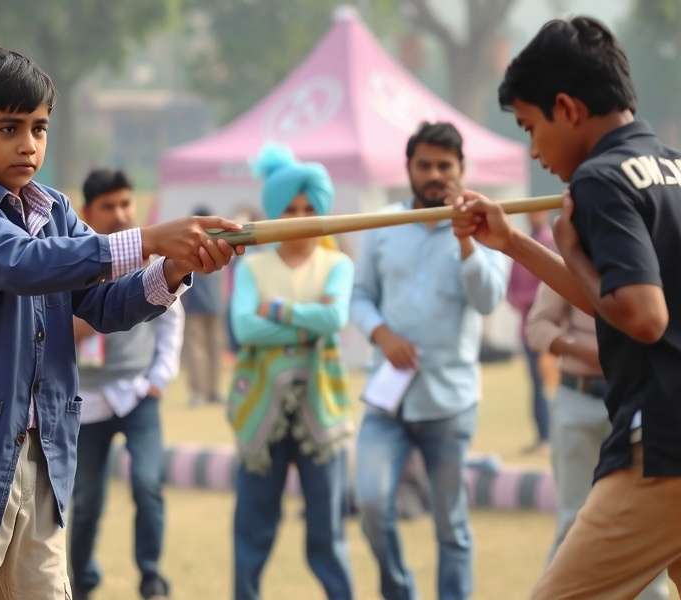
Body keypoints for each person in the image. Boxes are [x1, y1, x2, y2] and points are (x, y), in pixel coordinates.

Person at [0, 46, 241, 600]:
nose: (29, 144)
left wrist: (172, 269)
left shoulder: (54, 209)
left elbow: (101, 304)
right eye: (9, 128)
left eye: (39, 127)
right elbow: (25, 263)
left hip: (43, 464)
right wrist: (150, 238)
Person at [450, 16, 681, 598]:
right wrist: (516, 243)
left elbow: (644, 315)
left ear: (568, 108)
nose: (534, 150)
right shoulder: (672, 168)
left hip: (661, 447)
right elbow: (618, 302)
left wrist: (571, 247)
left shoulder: (601, 180)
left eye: (531, 127)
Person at [351, 122, 507, 600]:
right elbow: (359, 296)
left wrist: (465, 241)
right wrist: (382, 334)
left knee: (450, 525)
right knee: (373, 504)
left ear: (462, 170)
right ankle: (400, 591)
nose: (435, 174)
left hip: (450, 401)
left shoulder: (486, 229)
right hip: (388, 400)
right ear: (409, 170)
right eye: (426, 165)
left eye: (445, 165)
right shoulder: (381, 225)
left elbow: (487, 301)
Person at [229, 145, 354, 600]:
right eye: (290, 209)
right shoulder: (253, 264)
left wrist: (275, 310)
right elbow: (244, 327)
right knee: (253, 529)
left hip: (322, 409)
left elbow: (336, 319)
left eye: (309, 209)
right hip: (261, 410)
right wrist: (308, 322)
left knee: (328, 532)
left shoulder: (337, 264)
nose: (300, 218)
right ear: (275, 211)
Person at [69, 169, 184, 600]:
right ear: (87, 212)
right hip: (86, 399)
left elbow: (172, 318)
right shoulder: (70, 262)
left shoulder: (150, 257)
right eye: (108, 207)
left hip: (138, 392)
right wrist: (74, 326)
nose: (120, 215)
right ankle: (81, 579)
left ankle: (151, 575)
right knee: (86, 501)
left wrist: (160, 376)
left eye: (125, 204)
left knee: (148, 484)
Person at [525, 282, 669, 599]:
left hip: (637, 403)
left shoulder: (651, 254)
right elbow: (537, 327)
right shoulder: (575, 250)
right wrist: (582, 349)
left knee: (646, 524)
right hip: (580, 396)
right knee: (574, 519)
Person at [507, 210, 554, 454]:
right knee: (536, 386)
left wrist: (530, 301)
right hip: (527, 331)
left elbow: (555, 287)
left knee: (552, 386)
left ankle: (552, 437)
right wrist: (522, 301)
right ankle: (542, 436)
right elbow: (511, 290)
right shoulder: (520, 246)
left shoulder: (552, 244)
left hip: (550, 333)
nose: (534, 216)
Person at [181, 205, 226, 407]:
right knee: (208, 350)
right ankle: (207, 391)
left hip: (204, 305)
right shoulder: (214, 240)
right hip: (206, 304)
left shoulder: (191, 241)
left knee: (204, 351)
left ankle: (205, 392)